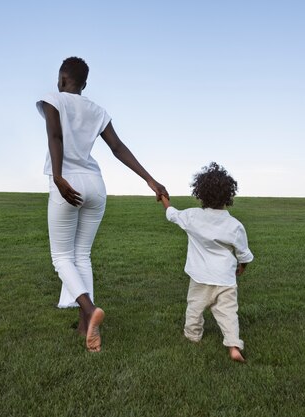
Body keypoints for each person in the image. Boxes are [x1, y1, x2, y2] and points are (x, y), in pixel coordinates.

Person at [37, 57, 169, 352]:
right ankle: (86, 327)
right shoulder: (97, 110)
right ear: (84, 84)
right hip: (96, 186)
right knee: (82, 254)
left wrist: (58, 176)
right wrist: (150, 180)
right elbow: (118, 147)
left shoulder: (52, 99)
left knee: (61, 256)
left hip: (67, 182)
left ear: (61, 79)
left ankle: (89, 308)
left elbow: (55, 136)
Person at [160, 162, 253, 362]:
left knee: (194, 308)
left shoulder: (193, 216)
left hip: (200, 278)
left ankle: (193, 336)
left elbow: (172, 214)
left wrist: (164, 199)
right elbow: (243, 253)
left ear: (200, 194)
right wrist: (242, 267)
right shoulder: (235, 225)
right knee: (228, 314)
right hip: (225, 280)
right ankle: (234, 345)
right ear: (229, 196)